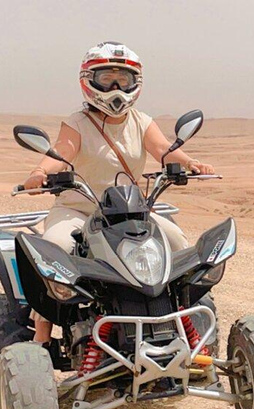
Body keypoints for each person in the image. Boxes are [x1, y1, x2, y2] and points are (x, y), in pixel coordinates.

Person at [23, 41, 215, 343]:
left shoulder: (141, 121)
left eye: (123, 79)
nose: (115, 87)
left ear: (135, 83)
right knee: (55, 249)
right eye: (106, 78)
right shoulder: (78, 123)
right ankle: (42, 338)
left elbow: (162, 149)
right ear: (89, 80)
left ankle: (184, 321)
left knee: (178, 244)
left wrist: (191, 163)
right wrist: (39, 172)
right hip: (78, 209)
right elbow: (63, 152)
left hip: (128, 210)